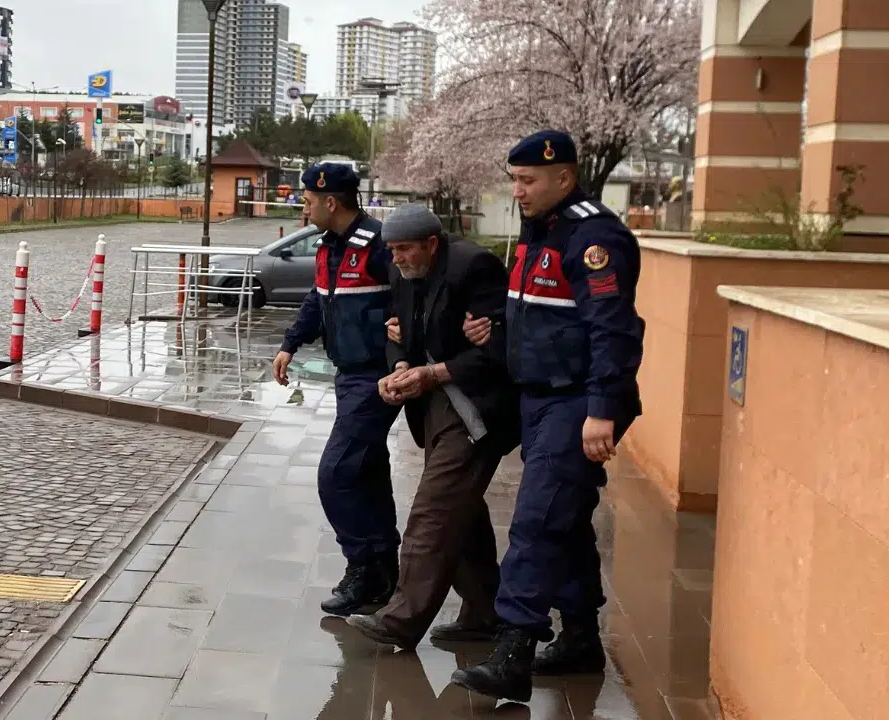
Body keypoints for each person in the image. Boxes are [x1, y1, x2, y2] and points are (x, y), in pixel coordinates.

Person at [448, 131, 646, 702]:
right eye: (514, 178)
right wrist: (496, 332)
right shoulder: (540, 235)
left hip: (577, 400)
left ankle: (515, 648)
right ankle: (581, 636)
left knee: (537, 518)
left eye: (528, 179)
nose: (518, 190)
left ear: (564, 177)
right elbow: (549, 319)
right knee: (565, 517)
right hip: (539, 398)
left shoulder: (592, 236)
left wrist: (602, 410)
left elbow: (614, 330)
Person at [341, 204, 520, 650]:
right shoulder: (404, 272)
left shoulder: (474, 267)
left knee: (433, 513)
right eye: (393, 250)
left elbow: (499, 350)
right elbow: (398, 332)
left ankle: (400, 620)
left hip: (478, 408)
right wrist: (399, 366)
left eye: (405, 250)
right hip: (435, 408)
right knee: (462, 512)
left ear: (432, 244)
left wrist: (433, 373)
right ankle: (484, 613)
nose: (397, 259)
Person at [273, 162, 401, 617]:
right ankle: (385, 570)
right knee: (365, 471)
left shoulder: (378, 244)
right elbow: (318, 298)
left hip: (376, 377)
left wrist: (403, 348)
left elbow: (412, 295)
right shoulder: (329, 247)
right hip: (348, 374)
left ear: (331, 202)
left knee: (337, 473)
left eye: (306, 200)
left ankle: (364, 567)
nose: (301, 207)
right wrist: (291, 342)